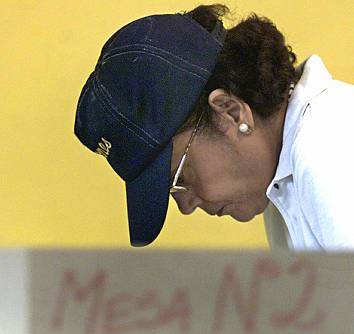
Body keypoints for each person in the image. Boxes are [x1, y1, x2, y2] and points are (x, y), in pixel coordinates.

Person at [75, 4, 354, 249]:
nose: (185, 207)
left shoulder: (329, 150)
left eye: (180, 178)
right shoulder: (283, 180)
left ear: (231, 113)